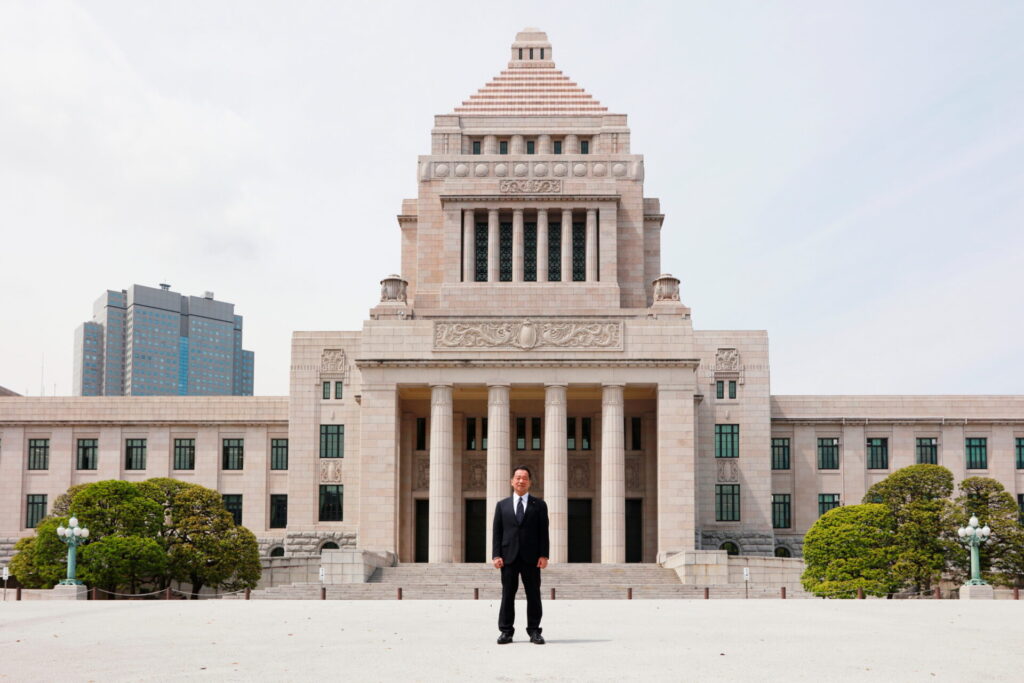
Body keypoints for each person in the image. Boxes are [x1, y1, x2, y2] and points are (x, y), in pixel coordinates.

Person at [492, 465, 549, 645]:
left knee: (534, 595)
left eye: (524, 478)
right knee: (507, 594)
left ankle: (534, 631)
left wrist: (544, 555)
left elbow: (543, 532)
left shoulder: (539, 505)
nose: (521, 481)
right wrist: (496, 555)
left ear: (530, 482)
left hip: (531, 558)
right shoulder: (502, 505)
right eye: (518, 477)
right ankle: (506, 632)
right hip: (508, 557)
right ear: (512, 481)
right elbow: (497, 532)